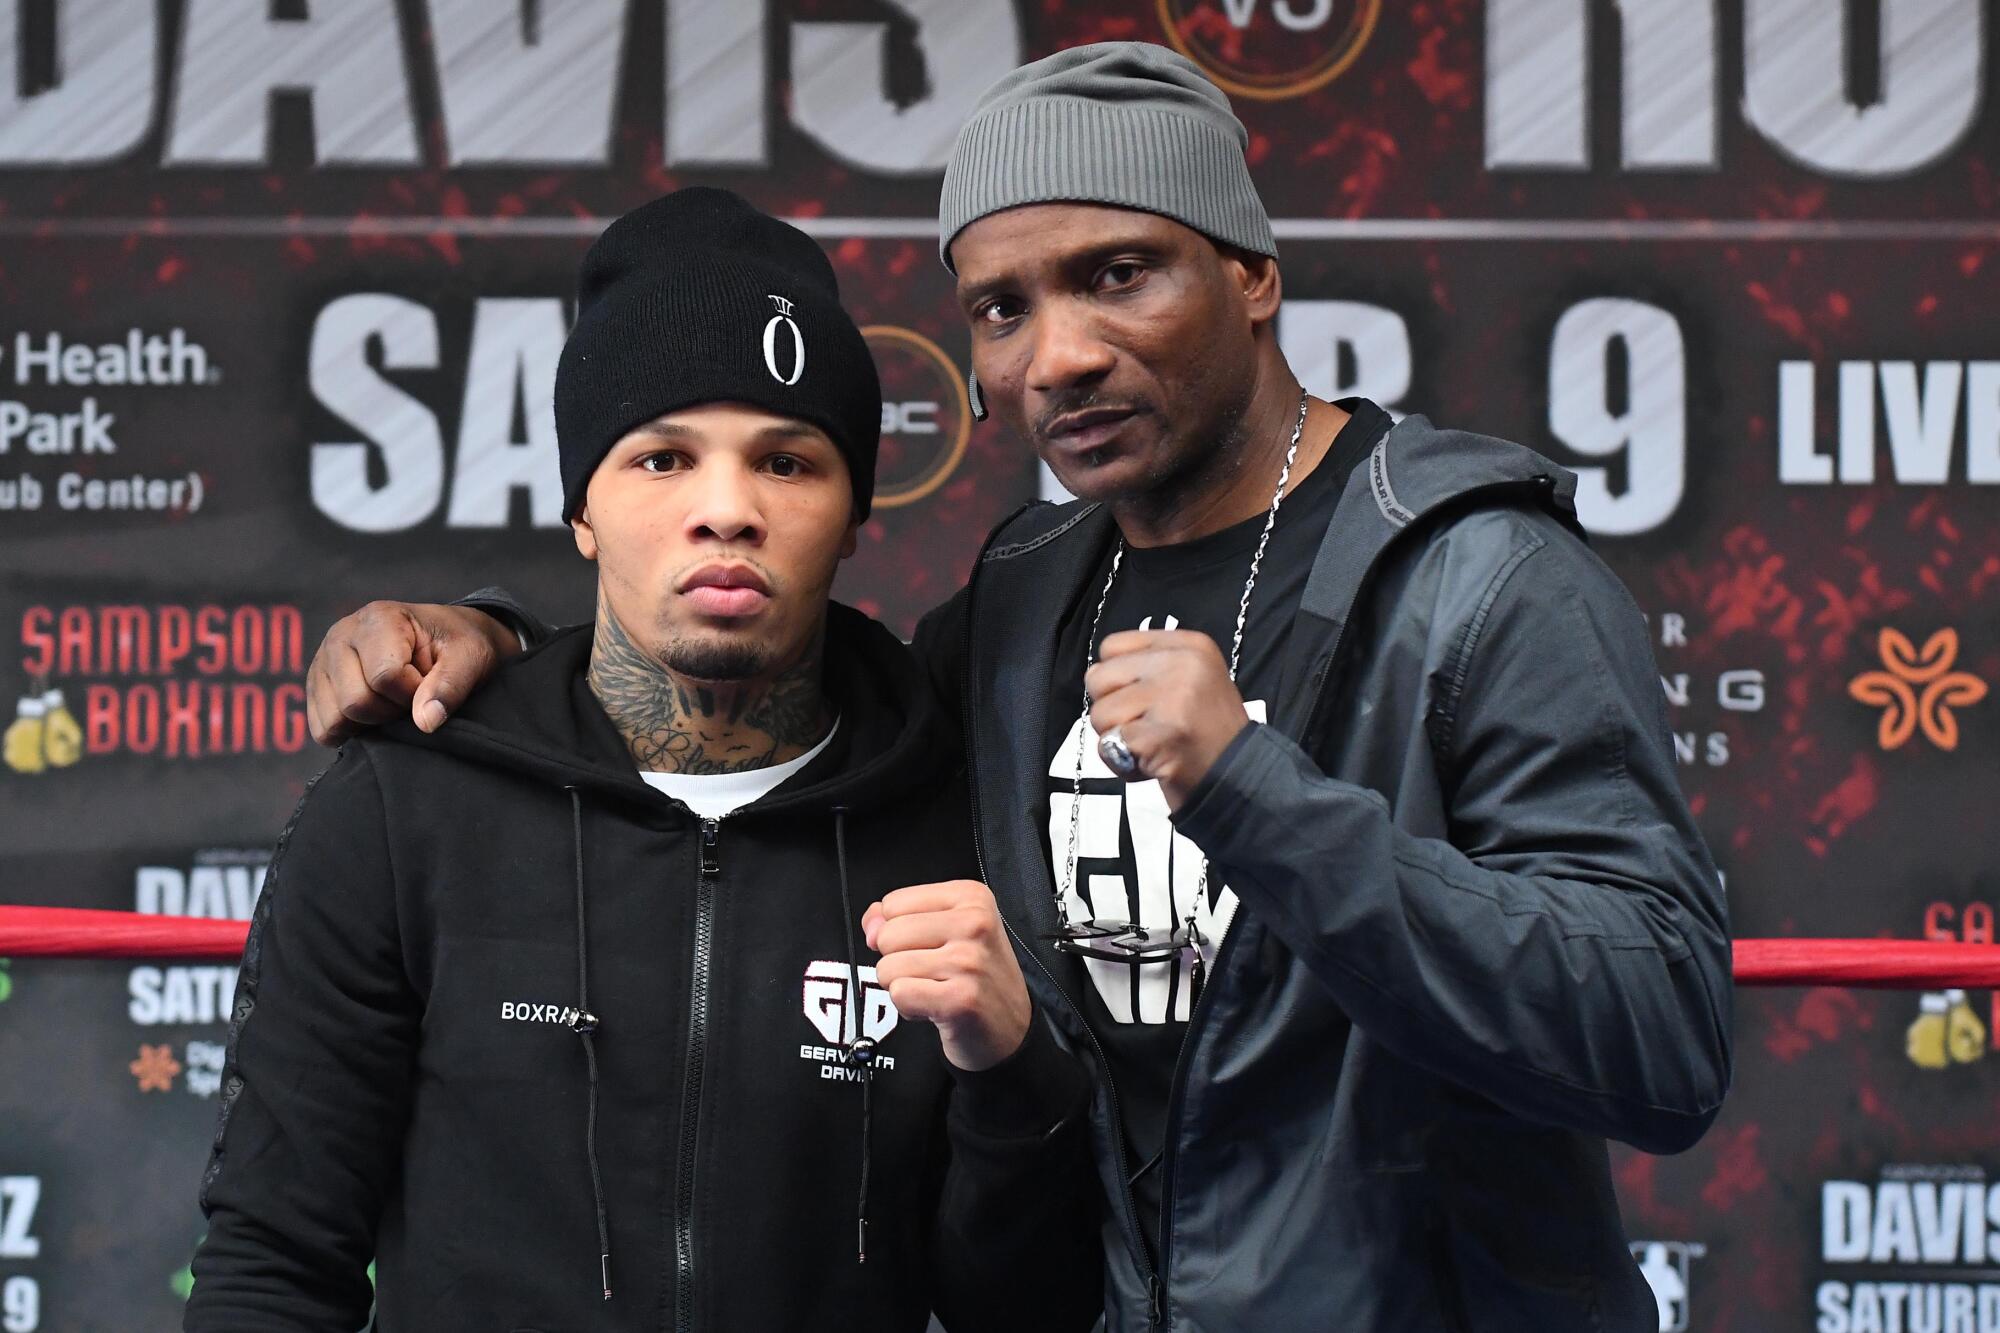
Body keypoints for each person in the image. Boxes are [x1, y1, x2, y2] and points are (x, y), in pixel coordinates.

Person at [304, 44, 1734, 1333]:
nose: (1058, 354)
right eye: (1002, 306)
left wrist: (1258, 795)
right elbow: (768, 701)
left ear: (1251, 273)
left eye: (1118, 273)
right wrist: (479, 652)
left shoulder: (1481, 582)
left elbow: (1659, 1040)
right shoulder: (1026, 601)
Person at [186, 187, 1101, 1332]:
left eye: (787, 461)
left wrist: (1013, 1074)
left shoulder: (958, 807)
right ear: (582, 508)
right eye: (662, 460)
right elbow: (273, 1262)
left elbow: (1027, 1308)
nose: (726, 510)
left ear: (855, 510)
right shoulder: (406, 805)